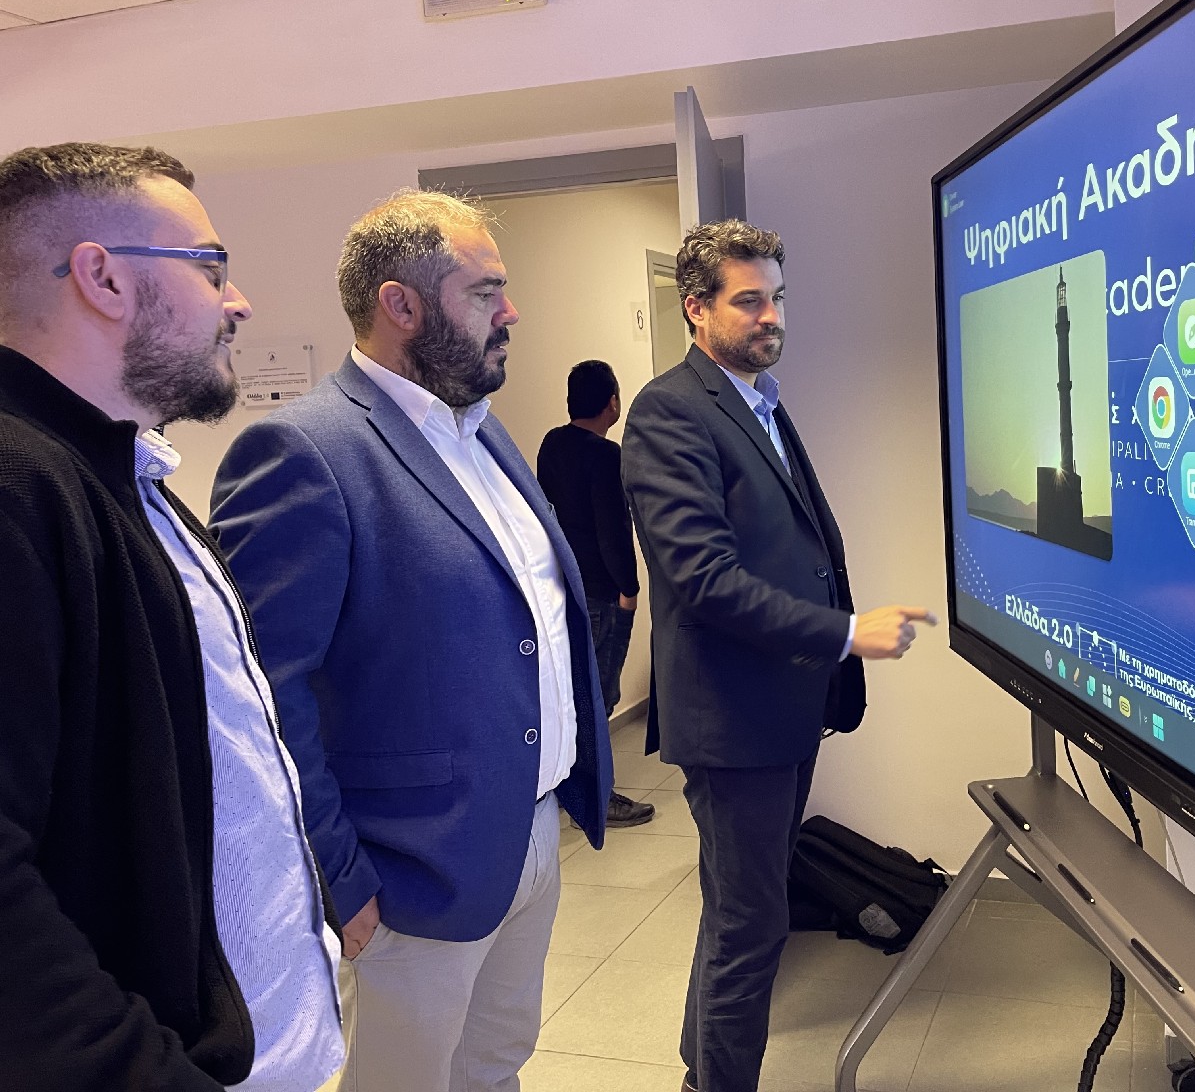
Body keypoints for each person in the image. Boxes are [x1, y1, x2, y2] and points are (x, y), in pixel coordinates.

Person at [210, 189, 612, 1092]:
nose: (511, 312)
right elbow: (263, 697)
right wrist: (338, 877)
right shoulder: (305, 451)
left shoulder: (483, 434)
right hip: (409, 874)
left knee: (494, 1066)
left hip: (527, 830)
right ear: (401, 305)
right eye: (486, 292)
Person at [0, 142, 343, 1090]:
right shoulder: (19, 489)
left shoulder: (129, 478)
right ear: (103, 278)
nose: (240, 303)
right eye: (211, 268)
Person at [620, 219, 934, 1092]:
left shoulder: (756, 399)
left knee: (736, 914)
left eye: (778, 298)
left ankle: (700, 1075)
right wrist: (844, 632)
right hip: (734, 722)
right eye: (749, 301)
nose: (771, 317)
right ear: (696, 308)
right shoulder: (669, 411)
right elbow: (704, 580)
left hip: (780, 713)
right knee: (751, 927)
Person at [537, 359, 656, 826]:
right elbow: (613, 530)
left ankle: (572, 788)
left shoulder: (552, 444)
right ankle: (598, 799)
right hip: (602, 594)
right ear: (613, 403)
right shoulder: (607, 456)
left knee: (573, 694)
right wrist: (630, 587)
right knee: (600, 694)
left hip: (563, 588)